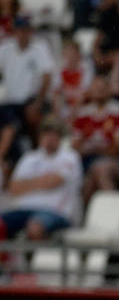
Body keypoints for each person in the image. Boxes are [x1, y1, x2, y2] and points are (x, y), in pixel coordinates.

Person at [2, 119, 83, 241]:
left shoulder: (70, 156)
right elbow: (13, 188)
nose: (49, 138)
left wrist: (27, 184)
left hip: (55, 211)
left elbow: (54, 181)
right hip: (24, 208)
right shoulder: (29, 157)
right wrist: (43, 181)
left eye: (53, 134)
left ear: (59, 137)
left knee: (35, 227)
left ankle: (33, 259)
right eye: (45, 134)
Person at [0, 15, 56, 162]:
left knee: (33, 114)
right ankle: (7, 160)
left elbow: (47, 78)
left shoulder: (40, 47)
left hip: (34, 100)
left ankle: (39, 152)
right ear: (15, 31)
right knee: (8, 123)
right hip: (11, 102)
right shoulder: (5, 48)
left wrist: (38, 103)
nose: (23, 34)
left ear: (30, 31)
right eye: (20, 30)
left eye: (26, 30)